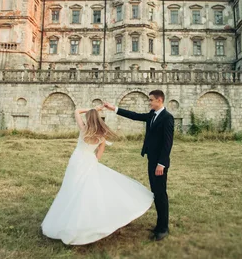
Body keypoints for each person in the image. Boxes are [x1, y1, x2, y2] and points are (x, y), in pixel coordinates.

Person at [41, 105, 153, 245]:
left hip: (77, 161)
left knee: (71, 188)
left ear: (88, 119)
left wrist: (93, 109)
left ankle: (70, 219)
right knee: (88, 189)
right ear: (99, 120)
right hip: (89, 161)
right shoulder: (101, 138)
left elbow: (76, 111)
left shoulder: (83, 130)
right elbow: (98, 156)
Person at [103, 89, 174, 242]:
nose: (149, 102)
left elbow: (168, 144)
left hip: (159, 164)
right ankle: (159, 224)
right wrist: (113, 108)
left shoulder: (168, 118)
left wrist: (161, 164)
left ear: (159, 101)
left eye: (151, 100)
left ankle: (163, 228)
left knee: (161, 194)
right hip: (151, 160)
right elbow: (134, 116)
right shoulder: (152, 115)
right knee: (156, 192)